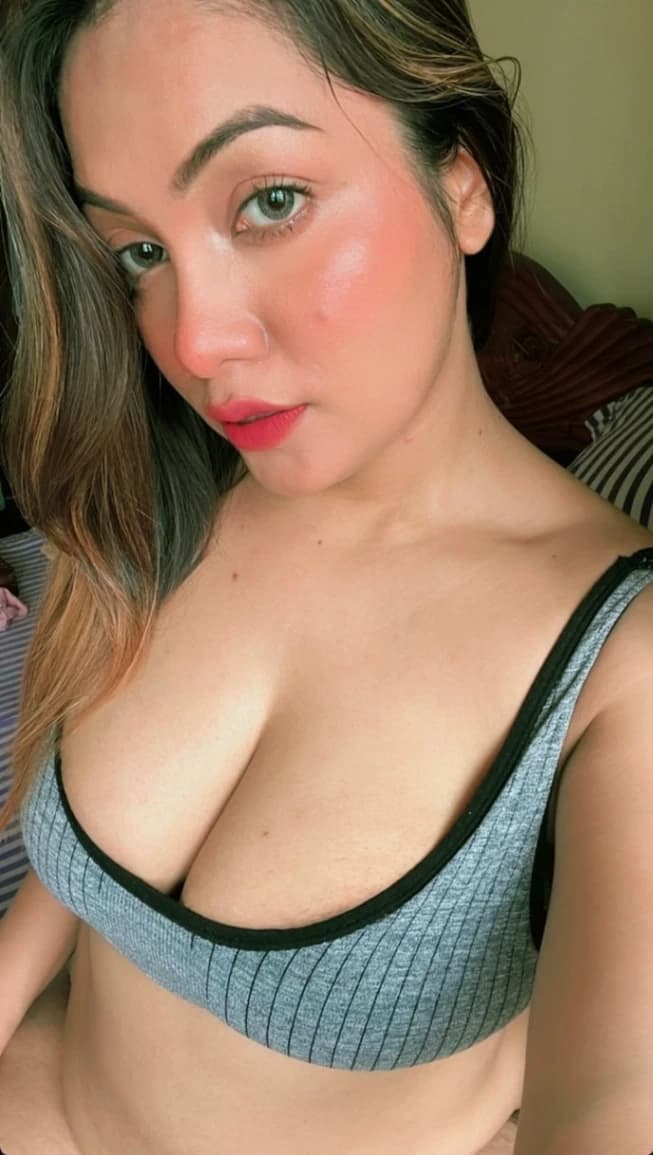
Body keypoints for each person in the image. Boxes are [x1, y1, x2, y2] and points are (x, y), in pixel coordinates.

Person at [0, 1, 652, 1152]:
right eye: (140, 251)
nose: (194, 341)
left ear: (461, 184)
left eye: (269, 201)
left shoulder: (616, 666)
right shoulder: (169, 495)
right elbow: (83, 870)